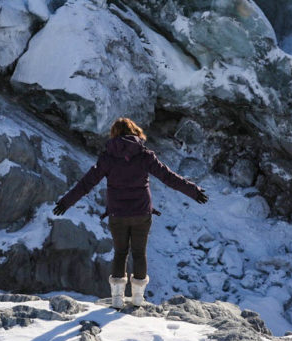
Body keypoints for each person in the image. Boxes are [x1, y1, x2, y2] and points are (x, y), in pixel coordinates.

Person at [53, 117, 208, 308]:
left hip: (117, 214)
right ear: (135, 132)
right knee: (139, 253)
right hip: (141, 213)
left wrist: (65, 202)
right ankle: (137, 299)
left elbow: (87, 183)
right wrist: (194, 191)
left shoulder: (108, 158)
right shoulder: (144, 155)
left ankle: (117, 299)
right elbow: (168, 178)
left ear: (114, 134)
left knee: (120, 253)